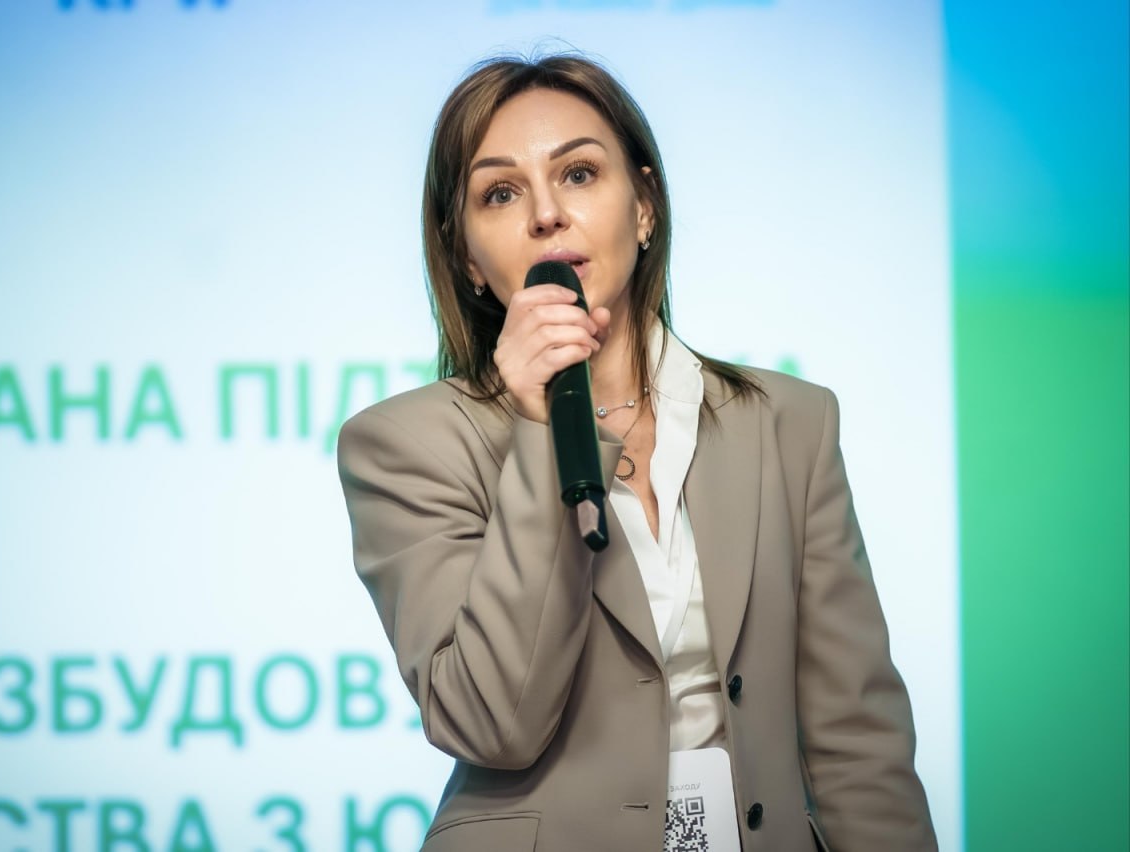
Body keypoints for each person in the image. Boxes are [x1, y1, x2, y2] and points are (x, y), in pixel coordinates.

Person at [337, 53, 937, 852]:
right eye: (501, 193)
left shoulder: (790, 423)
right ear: (468, 258)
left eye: (579, 174)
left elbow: (857, 740)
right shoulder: (404, 444)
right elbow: (490, 722)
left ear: (645, 206)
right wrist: (539, 432)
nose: (546, 215)